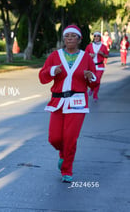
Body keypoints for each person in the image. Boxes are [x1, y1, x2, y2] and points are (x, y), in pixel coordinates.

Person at [39, 24, 97, 183]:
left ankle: (67, 170)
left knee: (70, 138)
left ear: (79, 39)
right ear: (64, 39)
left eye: (73, 36)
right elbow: (42, 77)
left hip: (78, 102)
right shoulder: (55, 56)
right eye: (67, 36)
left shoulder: (85, 57)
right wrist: (52, 71)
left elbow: (94, 83)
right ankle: (63, 154)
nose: (70, 38)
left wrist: (90, 76)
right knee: (54, 138)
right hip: (58, 101)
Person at [85, 31, 109, 102]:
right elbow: (85, 55)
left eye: (97, 36)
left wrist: (102, 54)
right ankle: (92, 88)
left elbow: (107, 56)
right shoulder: (89, 46)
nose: (96, 37)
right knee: (92, 80)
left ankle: (95, 95)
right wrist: (90, 55)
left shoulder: (103, 46)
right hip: (91, 66)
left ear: (100, 37)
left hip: (100, 66)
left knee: (97, 80)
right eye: (95, 36)